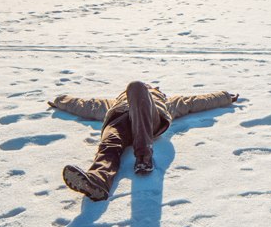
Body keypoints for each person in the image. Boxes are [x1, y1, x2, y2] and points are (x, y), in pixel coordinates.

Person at [50, 81, 237, 201]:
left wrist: (226, 96)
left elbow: (198, 101)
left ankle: (144, 157)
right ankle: (98, 181)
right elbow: (85, 105)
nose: (148, 87)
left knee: (135, 86)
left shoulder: (167, 101)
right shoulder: (113, 103)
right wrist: (60, 100)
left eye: (151, 88)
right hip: (119, 121)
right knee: (109, 143)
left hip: (149, 122)